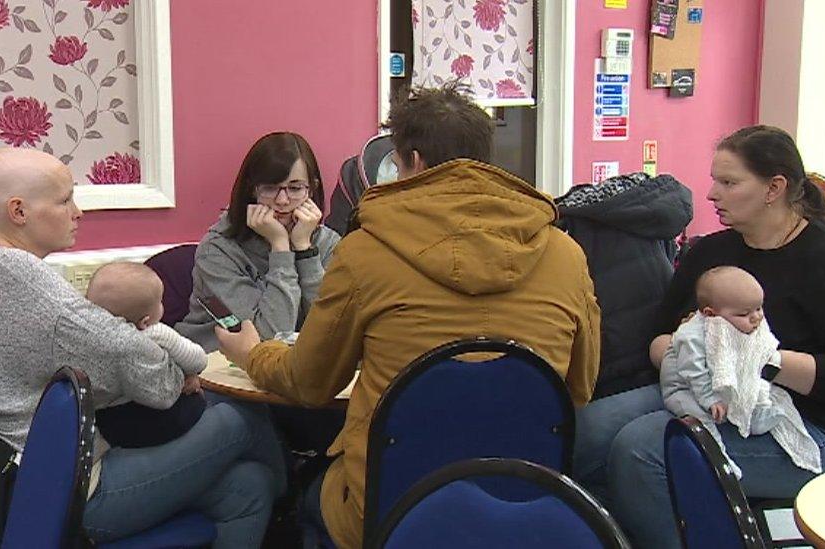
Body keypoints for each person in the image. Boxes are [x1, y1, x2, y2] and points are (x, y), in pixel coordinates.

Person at [214, 83, 602, 549]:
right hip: (524, 508)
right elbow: (579, 387)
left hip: (391, 509)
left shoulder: (366, 251)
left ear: (412, 162)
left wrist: (256, 355)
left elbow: (310, 383)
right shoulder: (566, 254)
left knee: (307, 491)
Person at [0, 148, 286, 547]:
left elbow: (100, 353)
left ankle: (282, 502)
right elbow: (146, 373)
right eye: (65, 199)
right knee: (241, 417)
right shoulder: (20, 277)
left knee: (249, 486)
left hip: (24, 486)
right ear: (19, 211)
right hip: (64, 496)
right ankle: (296, 509)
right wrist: (183, 373)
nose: (78, 211)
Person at [606, 125, 825, 548]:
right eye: (715, 180)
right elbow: (660, 336)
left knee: (640, 450)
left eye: (729, 182)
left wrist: (754, 359)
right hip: (707, 390)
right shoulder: (710, 253)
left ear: (774, 188)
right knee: (589, 431)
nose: (712, 194)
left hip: (816, 429)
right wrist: (681, 352)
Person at [555, 172, 692, 493]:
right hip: (658, 376)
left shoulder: (573, 234)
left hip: (619, 383)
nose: (714, 193)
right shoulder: (651, 222)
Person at [176, 131, 341, 353]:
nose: (282, 201)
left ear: (311, 189)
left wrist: (305, 251)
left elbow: (332, 331)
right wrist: (280, 248)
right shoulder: (217, 250)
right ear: (252, 189)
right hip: (214, 368)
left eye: (295, 188)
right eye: (270, 188)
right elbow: (267, 339)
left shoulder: (327, 243)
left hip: (292, 370)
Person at [660, 266, 821, 476]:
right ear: (710, 313)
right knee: (700, 422)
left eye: (759, 308)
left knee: (754, 389)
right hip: (684, 390)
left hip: (715, 385)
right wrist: (709, 400)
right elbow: (693, 372)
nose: (756, 318)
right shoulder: (692, 335)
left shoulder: (737, 323)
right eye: (745, 313)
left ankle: (756, 418)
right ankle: (718, 460)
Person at [86, 262, 208, 449]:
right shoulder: (156, 332)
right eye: (160, 302)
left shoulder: (88, 335)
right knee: (201, 402)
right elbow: (197, 359)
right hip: (153, 421)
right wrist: (188, 373)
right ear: (145, 321)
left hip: (110, 423)